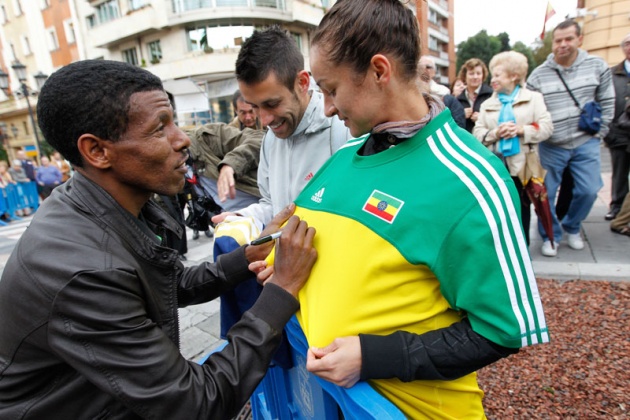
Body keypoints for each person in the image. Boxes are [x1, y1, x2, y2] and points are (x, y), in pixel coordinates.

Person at [267, 1, 549, 418]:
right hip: (329, 399)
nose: (326, 107)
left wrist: (373, 355)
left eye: (331, 89)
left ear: (380, 71)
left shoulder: (471, 178)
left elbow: (503, 331)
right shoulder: (346, 153)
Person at [0, 59, 318, 419]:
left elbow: (169, 283)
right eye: (158, 129)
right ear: (97, 151)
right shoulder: (83, 272)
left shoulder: (107, 207)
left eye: (174, 121)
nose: (182, 140)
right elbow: (196, 403)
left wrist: (248, 255)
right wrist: (283, 289)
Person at [212, 25, 351, 226]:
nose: (264, 120)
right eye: (255, 107)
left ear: (302, 83)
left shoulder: (343, 128)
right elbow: (273, 205)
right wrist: (244, 218)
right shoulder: (270, 139)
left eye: (272, 104)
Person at [527, 19, 615, 256]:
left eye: (568, 39)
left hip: (585, 141)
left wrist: (600, 133)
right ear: (552, 43)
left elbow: (607, 101)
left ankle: (572, 226)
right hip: (551, 145)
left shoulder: (597, 66)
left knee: (589, 190)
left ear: (579, 39)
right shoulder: (538, 75)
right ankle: (550, 235)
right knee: (545, 194)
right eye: (558, 40)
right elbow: (530, 109)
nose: (563, 44)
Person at [473, 51, 553, 245]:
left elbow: (547, 128)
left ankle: (522, 248)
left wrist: (520, 130)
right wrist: (495, 133)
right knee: (496, 210)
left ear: (514, 76)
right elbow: (477, 133)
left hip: (524, 167)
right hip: (496, 166)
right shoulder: (487, 104)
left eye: (498, 75)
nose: (493, 79)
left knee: (522, 209)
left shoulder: (534, 98)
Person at [603, 33, 630, 221]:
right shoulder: (612, 74)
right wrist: (607, 130)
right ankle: (617, 206)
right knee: (619, 173)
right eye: (628, 43)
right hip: (619, 132)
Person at [418, 55, 466, 129]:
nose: (425, 69)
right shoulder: (408, 93)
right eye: (420, 66)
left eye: (428, 67)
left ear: (434, 71)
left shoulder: (444, 92)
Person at [455, 57, 494, 132]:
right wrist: (461, 115)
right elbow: (452, 123)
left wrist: (482, 118)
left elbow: (498, 118)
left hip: (485, 140)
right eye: (471, 73)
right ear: (464, 76)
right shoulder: (458, 99)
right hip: (466, 140)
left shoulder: (491, 95)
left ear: (483, 75)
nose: (475, 77)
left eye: (478, 73)